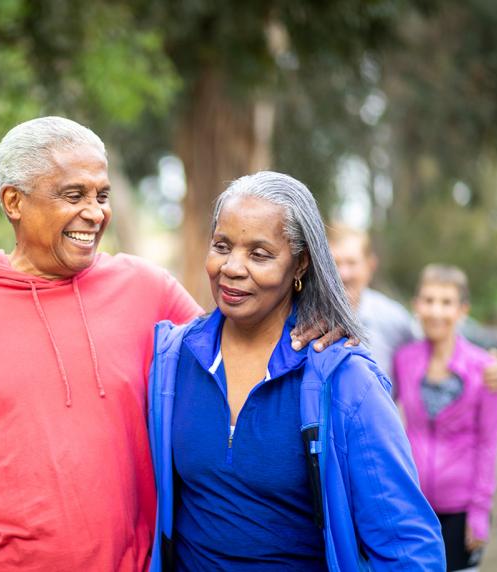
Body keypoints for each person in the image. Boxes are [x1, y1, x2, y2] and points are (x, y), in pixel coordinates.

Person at [0, 117, 342, 570]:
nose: (95, 213)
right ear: (13, 201)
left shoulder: (146, 289)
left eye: (102, 195)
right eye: (74, 195)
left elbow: (242, 341)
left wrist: (314, 320)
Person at [149, 172, 444, 571]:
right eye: (222, 246)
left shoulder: (344, 380)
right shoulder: (173, 360)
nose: (232, 268)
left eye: (259, 254)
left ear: (300, 263)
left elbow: (407, 546)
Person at [394, 265, 497, 572]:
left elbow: (488, 443)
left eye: (446, 302)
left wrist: (480, 512)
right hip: (414, 504)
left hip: (462, 509)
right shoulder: (404, 359)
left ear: (462, 310)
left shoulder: (485, 368)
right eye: (428, 300)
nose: (436, 311)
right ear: (417, 305)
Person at [327, 224, 497, 390]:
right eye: (335, 263)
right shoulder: (306, 315)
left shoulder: (392, 317)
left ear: (370, 265)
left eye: (351, 263)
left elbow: (438, 334)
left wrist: (491, 365)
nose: (344, 274)